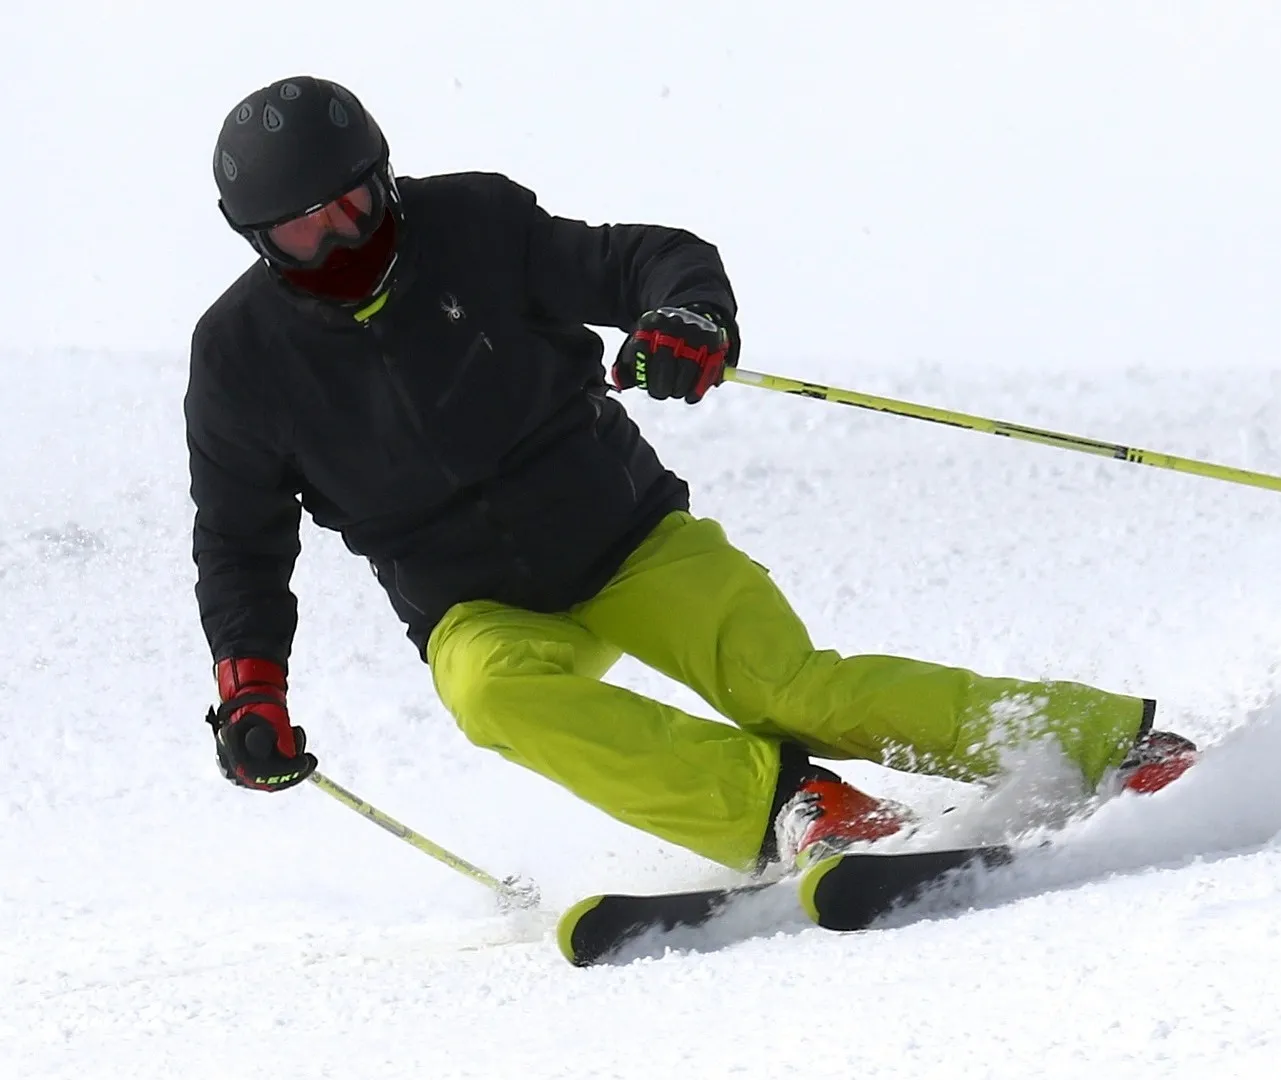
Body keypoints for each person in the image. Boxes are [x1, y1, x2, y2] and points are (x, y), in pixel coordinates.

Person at [189, 75, 1196, 877]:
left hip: (625, 540)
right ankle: (792, 806)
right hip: (473, 602)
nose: (339, 236)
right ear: (259, 239)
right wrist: (251, 692)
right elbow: (239, 542)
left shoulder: (475, 227)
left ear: (384, 177)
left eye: (353, 203)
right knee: (490, 693)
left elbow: (649, 261)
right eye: (302, 227)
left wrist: (686, 317)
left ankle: (1102, 744)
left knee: (791, 689)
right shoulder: (240, 358)